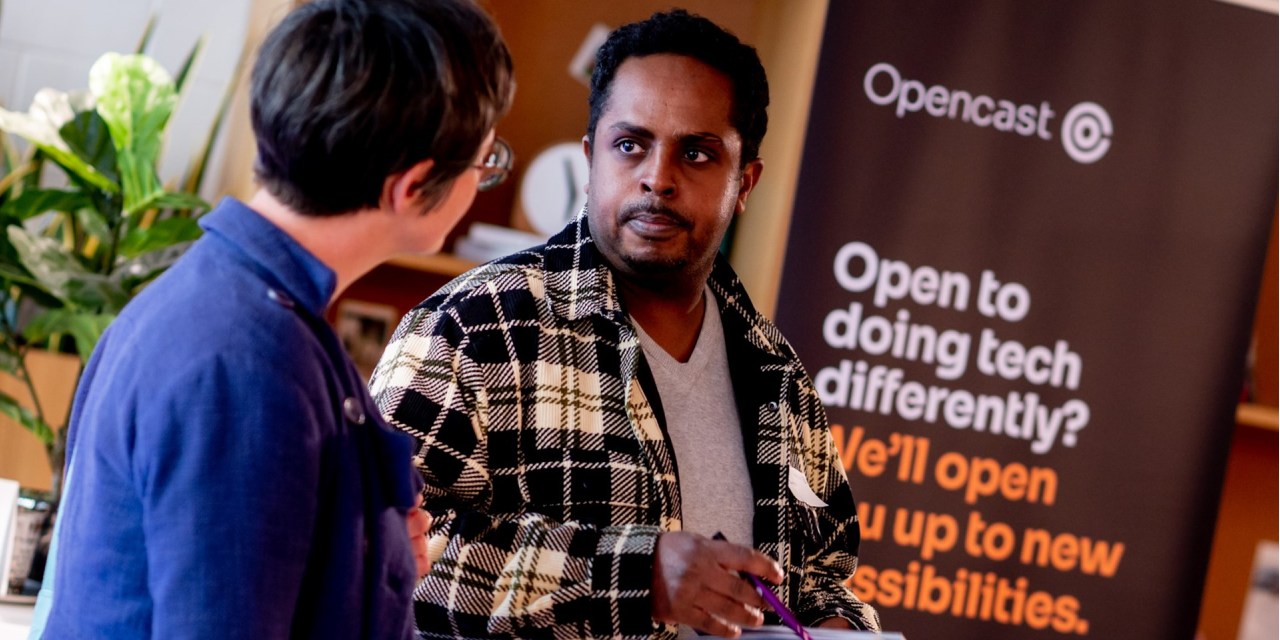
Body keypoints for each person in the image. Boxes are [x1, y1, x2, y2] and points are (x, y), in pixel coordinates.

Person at [370, 8, 879, 640]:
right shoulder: (474, 326)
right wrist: (640, 576)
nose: (658, 179)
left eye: (696, 153)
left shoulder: (778, 374)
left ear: (744, 182)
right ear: (591, 157)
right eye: (630, 145)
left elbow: (823, 574)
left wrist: (837, 627)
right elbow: (374, 553)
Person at [30, 0, 514, 637]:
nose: (483, 178)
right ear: (412, 185)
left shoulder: (237, 305)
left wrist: (372, 557)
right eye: (485, 162)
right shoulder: (243, 363)